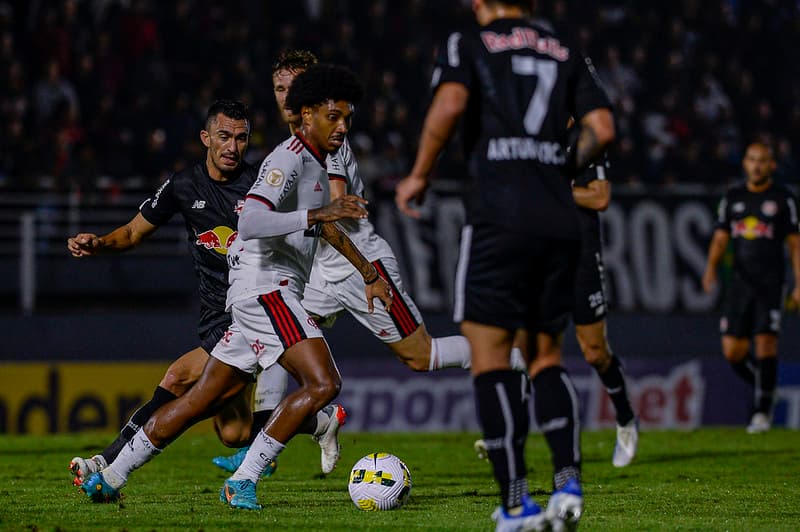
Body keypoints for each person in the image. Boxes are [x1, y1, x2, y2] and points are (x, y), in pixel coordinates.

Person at [80, 64, 393, 510]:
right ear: (308, 117)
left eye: (346, 117)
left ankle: (110, 476)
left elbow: (326, 229)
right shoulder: (285, 159)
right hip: (266, 289)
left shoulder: (312, 164)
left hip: (254, 295)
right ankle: (244, 480)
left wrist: (368, 272)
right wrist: (316, 217)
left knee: (200, 404)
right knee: (323, 384)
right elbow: (252, 219)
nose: (342, 126)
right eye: (334, 117)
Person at [212, 49, 525, 474]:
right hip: (318, 271)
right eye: (280, 88)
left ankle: (509, 355)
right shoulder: (292, 146)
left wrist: (362, 268)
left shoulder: (329, 144)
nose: (288, 96)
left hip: (358, 265)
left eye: (297, 87)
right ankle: (261, 454)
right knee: (281, 345)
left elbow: (336, 210)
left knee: (421, 356)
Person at [395, 1, 614, 530]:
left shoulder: (465, 43)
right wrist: (559, 163)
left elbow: (449, 105)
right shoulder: (564, 48)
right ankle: (567, 484)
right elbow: (602, 127)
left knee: (492, 358)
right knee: (544, 355)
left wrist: (419, 173)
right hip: (559, 217)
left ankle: (517, 504)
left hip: (499, 215)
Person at [702, 141, 800, 433]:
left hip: (770, 283)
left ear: (772, 165)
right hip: (739, 283)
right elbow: (721, 237)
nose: (757, 165)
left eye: (762, 160)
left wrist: (798, 284)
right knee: (732, 350)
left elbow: (795, 245)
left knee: (765, 342)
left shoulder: (783, 199)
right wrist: (710, 268)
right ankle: (763, 384)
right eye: (752, 160)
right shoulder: (733, 197)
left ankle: (762, 411)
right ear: (745, 163)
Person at [570, 156, 638, 466]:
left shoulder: (587, 143)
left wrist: (550, 189)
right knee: (523, 342)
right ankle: (507, 436)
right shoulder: (526, 135)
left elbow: (599, 197)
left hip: (580, 255)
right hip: (535, 254)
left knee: (595, 352)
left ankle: (625, 418)